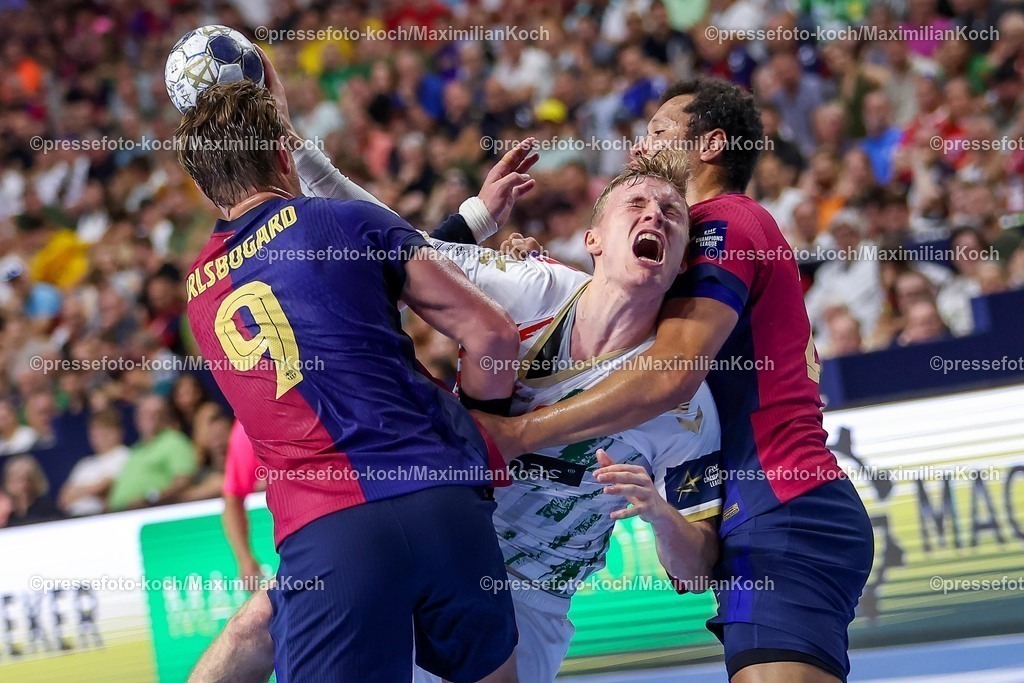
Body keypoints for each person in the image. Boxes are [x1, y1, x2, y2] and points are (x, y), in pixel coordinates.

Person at [190, 154, 724, 683]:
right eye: (637, 203)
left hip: (530, 595)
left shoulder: (689, 406)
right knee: (253, 626)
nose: (654, 216)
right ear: (594, 239)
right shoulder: (531, 285)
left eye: (671, 213)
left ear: (682, 262)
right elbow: (391, 239)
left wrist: (659, 515)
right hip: (443, 527)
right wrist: (301, 152)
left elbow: (697, 571)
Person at [479, 78, 874, 683]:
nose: (640, 146)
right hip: (759, 509)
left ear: (711, 145)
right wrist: (547, 273)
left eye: (659, 132)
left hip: (784, 501)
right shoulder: (699, 241)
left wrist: (517, 434)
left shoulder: (724, 220)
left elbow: (670, 373)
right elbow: (622, 318)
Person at [177, 78, 523, 683]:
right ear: (283, 155)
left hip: (328, 533)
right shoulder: (350, 221)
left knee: (253, 631)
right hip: (441, 498)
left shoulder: (199, 295)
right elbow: (491, 334)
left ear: (206, 188)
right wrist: (479, 425)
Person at [107, 394, 196, 511]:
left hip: (151, 512)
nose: (151, 417)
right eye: (146, 413)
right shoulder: (135, 449)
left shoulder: (175, 441)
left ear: (165, 416)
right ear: (137, 418)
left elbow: (182, 481)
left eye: (157, 413)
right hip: (116, 515)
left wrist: (149, 499)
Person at [57, 408, 130, 516]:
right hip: (73, 518)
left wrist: (78, 491)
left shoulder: (124, 455)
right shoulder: (84, 464)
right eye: (95, 434)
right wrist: (92, 490)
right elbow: (63, 498)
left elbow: (106, 487)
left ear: (118, 432)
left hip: (104, 515)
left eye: (104, 432)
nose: (99, 438)